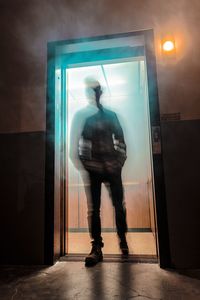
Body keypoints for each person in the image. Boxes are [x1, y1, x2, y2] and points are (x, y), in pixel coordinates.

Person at [70, 78, 129, 267]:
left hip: (112, 168)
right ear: (89, 93)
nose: (95, 93)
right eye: (91, 90)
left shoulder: (111, 116)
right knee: (94, 209)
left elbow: (121, 141)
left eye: (97, 90)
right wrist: (87, 166)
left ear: (100, 92)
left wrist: (118, 163)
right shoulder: (85, 118)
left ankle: (123, 240)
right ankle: (96, 246)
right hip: (95, 169)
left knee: (118, 205)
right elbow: (80, 147)